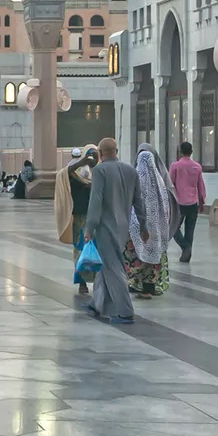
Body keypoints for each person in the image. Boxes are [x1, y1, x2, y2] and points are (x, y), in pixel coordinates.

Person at [82, 136, 147, 323]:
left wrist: (89, 227)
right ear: (116, 152)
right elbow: (139, 201)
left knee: (113, 267)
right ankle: (97, 303)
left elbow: (96, 201)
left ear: (100, 154)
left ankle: (125, 312)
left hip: (105, 226)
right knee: (107, 263)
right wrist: (143, 225)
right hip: (123, 226)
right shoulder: (130, 170)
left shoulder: (100, 170)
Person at [126, 144, 173, 299]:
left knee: (136, 256)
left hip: (139, 226)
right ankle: (150, 286)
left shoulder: (135, 179)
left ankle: (137, 285)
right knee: (153, 256)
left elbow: (133, 203)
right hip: (157, 229)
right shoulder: (160, 182)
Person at [57, 146, 99, 293]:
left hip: (98, 217)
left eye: (96, 155)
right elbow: (63, 174)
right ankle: (82, 282)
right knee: (81, 248)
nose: (93, 158)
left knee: (99, 249)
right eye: (90, 155)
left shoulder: (100, 172)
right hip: (81, 216)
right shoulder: (76, 174)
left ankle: (99, 282)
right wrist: (81, 163)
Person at [168, 140, 206, 264]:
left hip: (179, 203)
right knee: (190, 229)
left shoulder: (175, 166)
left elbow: (170, 184)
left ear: (180, 152)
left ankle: (185, 247)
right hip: (193, 203)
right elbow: (200, 186)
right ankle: (187, 253)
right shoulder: (197, 167)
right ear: (191, 152)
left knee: (173, 227)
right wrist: (201, 201)